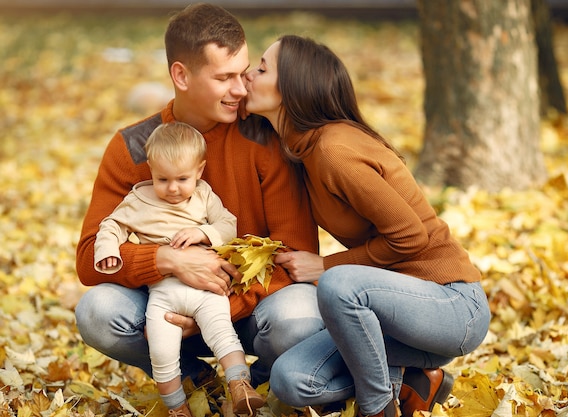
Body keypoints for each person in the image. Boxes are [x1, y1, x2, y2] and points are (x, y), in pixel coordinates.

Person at [74, 3, 323, 407]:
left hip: (251, 308)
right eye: (224, 78)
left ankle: (253, 385)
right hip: (165, 310)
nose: (241, 90)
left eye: (243, 74)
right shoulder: (133, 148)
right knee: (97, 312)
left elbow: (294, 251)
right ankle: (195, 380)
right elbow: (89, 257)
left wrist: (215, 305)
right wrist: (168, 262)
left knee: (302, 318)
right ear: (181, 75)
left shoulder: (264, 136)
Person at [242, 35, 491, 417]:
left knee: (340, 284)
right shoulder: (302, 152)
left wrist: (325, 266)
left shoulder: (333, 151)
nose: (248, 74)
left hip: (451, 305)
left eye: (261, 68)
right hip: (392, 319)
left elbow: (411, 236)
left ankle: (377, 409)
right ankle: (415, 380)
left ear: (294, 86)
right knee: (291, 379)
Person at [94, 121, 264, 416]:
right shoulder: (138, 201)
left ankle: (241, 388)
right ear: (150, 169)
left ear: (199, 170)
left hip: (207, 288)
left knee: (222, 332)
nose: (173, 188)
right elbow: (112, 225)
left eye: (182, 179)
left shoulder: (204, 195)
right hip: (164, 294)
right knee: (161, 350)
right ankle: (177, 408)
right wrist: (108, 250)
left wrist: (204, 234)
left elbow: (228, 225)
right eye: (163, 179)